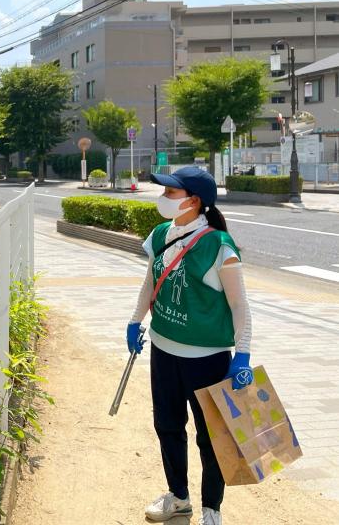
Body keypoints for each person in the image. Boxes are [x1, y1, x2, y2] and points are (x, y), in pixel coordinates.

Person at [126, 166, 253, 525]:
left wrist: (242, 353)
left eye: (171, 193)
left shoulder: (219, 246)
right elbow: (149, 283)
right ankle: (179, 497)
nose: (164, 198)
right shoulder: (161, 234)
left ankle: (212, 509)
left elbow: (239, 305)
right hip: (163, 349)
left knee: (212, 437)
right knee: (167, 425)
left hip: (207, 360)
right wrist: (135, 321)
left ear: (194, 201)